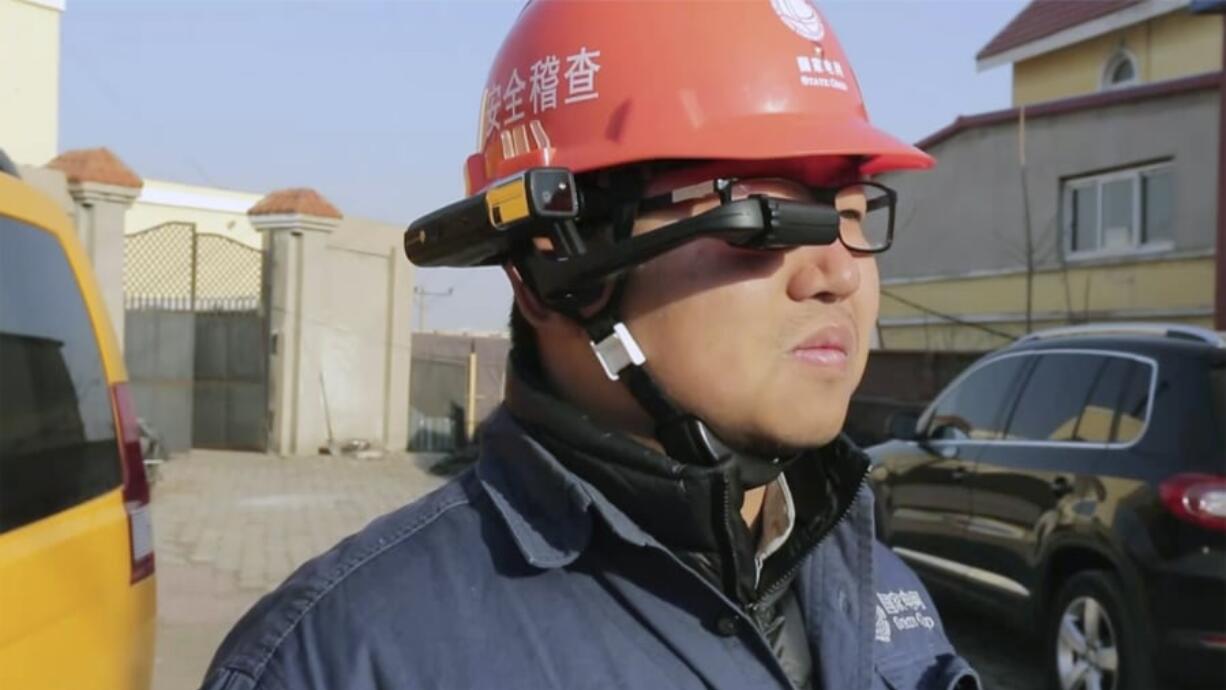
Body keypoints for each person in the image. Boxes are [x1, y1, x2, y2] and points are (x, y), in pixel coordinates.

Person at [201, 2, 980, 688]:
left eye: (849, 210)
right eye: (760, 218)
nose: (839, 273)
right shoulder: (344, 660)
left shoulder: (874, 585)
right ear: (555, 272)